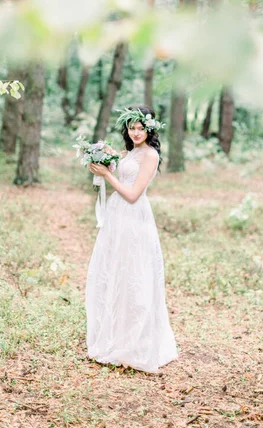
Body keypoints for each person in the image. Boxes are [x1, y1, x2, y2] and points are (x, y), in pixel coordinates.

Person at [86, 105, 178, 373]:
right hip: (116, 217)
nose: (135, 133)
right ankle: (115, 337)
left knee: (133, 275)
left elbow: (133, 194)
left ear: (149, 129)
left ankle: (136, 343)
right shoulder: (132, 152)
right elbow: (122, 174)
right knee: (115, 273)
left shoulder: (150, 155)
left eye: (140, 128)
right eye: (131, 128)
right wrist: (106, 163)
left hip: (134, 218)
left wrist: (108, 175)